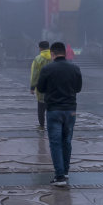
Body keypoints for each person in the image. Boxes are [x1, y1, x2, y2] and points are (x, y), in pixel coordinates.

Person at [36, 41, 82, 187]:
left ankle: (59, 176)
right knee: (67, 141)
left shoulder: (47, 69)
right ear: (64, 53)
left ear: (52, 53)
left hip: (54, 110)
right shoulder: (75, 68)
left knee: (55, 143)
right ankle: (66, 171)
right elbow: (78, 88)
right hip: (70, 109)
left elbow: (41, 88)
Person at [29, 41, 53, 129]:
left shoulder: (38, 59)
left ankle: (42, 125)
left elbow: (35, 74)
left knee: (41, 107)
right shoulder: (54, 58)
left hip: (41, 86)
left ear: (40, 48)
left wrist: (32, 86)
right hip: (54, 87)